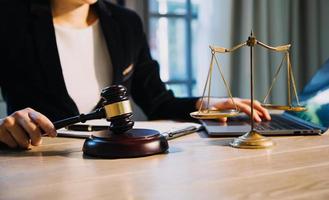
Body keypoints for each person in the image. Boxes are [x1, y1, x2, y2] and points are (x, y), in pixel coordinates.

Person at [0, 0, 271, 149]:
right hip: (38, 170)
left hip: (116, 172)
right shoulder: (9, 19)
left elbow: (158, 102)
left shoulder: (125, 23)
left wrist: (206, 104)